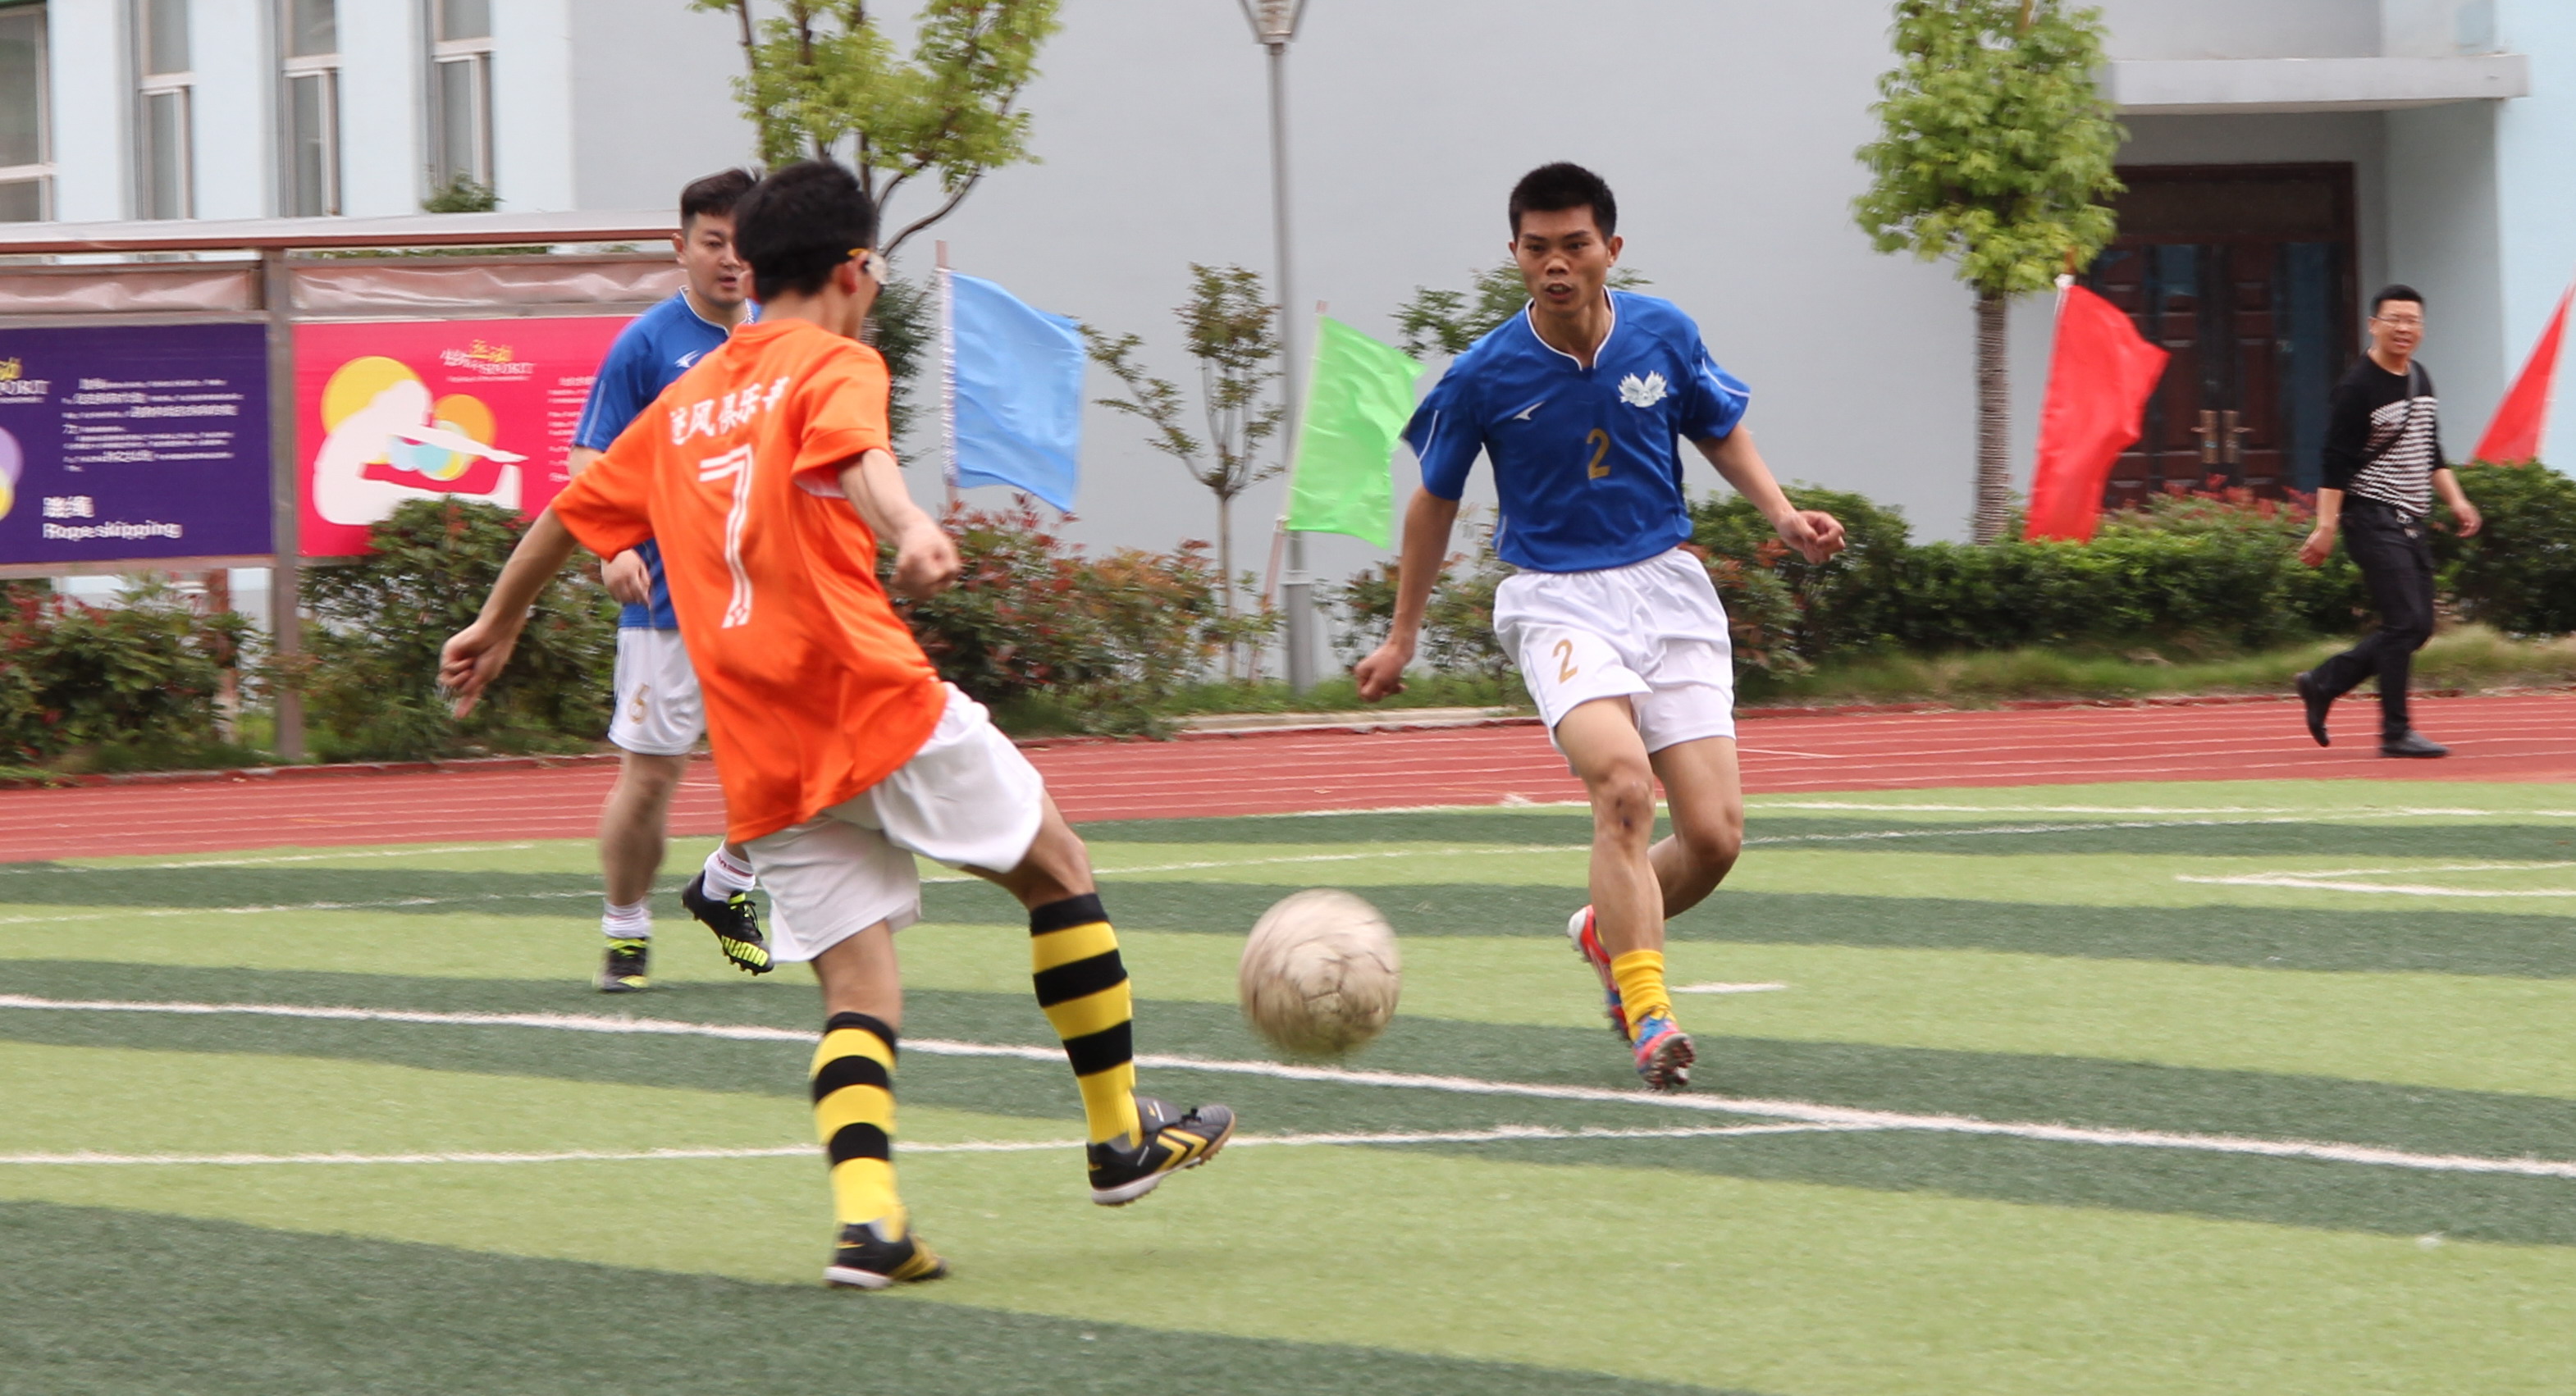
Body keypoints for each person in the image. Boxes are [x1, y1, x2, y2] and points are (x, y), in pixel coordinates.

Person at [441, 158, 1232, 1289]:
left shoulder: (685, 401)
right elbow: (859, 458)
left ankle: (870, 1222)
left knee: (858, 986)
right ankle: (1118, 1136)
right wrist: (910, 525)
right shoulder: (836, 361)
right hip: (869, 697)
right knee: (1057, 868)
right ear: (855, 270)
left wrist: (495, 621)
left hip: (759, 745)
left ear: (754, 267)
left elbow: (567, 515)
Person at [1353, 162, 1845, 1088]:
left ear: (1610, 249)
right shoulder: (1482, 372)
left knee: (1715, 838)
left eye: (1574, 244)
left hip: (1668, 591)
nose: (1556, 263)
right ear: (1514, 254)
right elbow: (1433, 500)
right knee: (1622, 786)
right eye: (1537, 247)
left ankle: (1601, 930)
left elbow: (1717, 426)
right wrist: (1401, 634)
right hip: (1556, 600)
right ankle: (1650, 1012)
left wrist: (1781, 513)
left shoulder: (1664, 332)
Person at [569, 167, 771, 992]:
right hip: (667, 602)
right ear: (680, 247)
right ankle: (625, 929)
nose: (730, 260)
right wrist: (611, 546)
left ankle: (723, 882)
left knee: (798, 761)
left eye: (742, 244)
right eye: (713, 242)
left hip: (766, 598)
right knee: (653, 775)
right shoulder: (647, 344)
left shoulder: (780, 338)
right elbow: (591, 457)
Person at [2295, 285, 2482, 759]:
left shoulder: (2419, 377)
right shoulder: (2357, 387)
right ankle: (2395, 732)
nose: (2404, 328)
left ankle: (2324, 682)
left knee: (2418, 627)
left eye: (2412, 320)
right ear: (2373, 325)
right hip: (2370, 516)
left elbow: (2431, 451)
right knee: (2404, 623)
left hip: (2410, 519)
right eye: (2394, 319)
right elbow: (2335, 463)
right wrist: (2326, 527)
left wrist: (2458, 501)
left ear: (2422, 329)